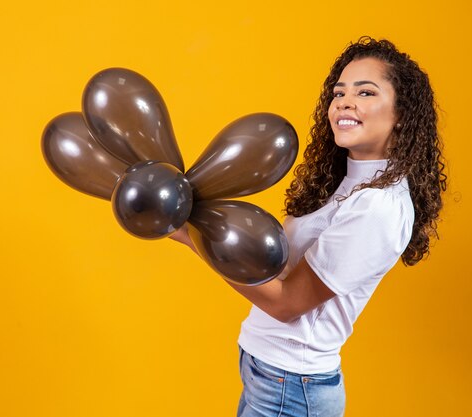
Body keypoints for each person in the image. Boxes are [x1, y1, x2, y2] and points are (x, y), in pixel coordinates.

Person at [171, 36, 447, 417]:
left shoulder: (378, 207)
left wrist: (193, 239)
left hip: (291, 386)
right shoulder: (347, 183)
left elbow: (287, 304)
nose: (345, 102)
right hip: (268, 372)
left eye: (366, 93)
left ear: (402, 114)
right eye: (339, 93)